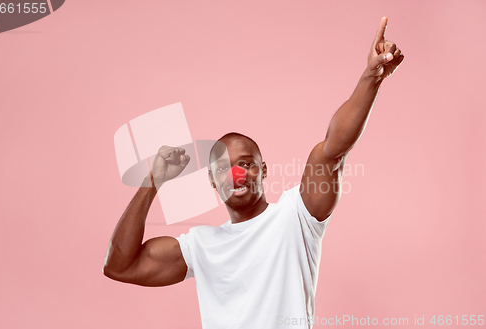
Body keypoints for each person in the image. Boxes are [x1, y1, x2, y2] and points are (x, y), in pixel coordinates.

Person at [103, 17, 404, 329]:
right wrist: (153, 181)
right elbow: (120, 266)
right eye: (222, 167)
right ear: (211, 181)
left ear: (263, 170)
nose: (236, 173)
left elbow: (332, 150)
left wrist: (371, 78)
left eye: (246, 163)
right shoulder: (201, 245)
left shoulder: (295, 218)